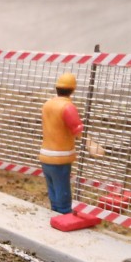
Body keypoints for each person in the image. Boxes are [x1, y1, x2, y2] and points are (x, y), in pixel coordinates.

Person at [39, 72, 84, 214]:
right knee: (62, 187)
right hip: (60, 156)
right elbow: (77, 129)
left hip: (45, 154)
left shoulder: (47, 104)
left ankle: (54, 210)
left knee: (52, 187)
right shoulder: (67, 107)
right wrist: (88, 141)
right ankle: (64, 213)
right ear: (73, 89)